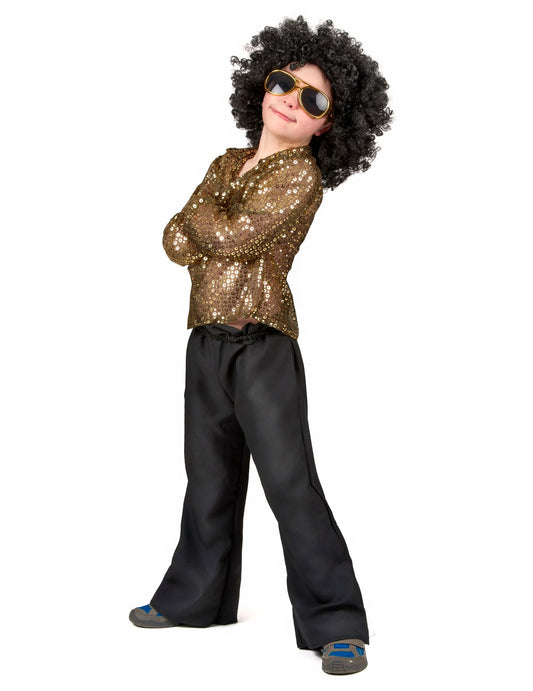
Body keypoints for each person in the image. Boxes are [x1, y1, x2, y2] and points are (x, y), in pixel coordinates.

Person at [129, 15, 393, 676]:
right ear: (261, 84)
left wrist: (206, 219)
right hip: (204, 342)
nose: (291, 100)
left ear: (328, 126)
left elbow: (227, 237)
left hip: (263, 344)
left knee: (289, 483)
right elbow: (173, 241)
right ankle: (196, 599)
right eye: (283, 83)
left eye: (314, 99)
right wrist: (209, 223)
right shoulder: (225, 163)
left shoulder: (299, 176)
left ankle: (337, 623)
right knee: (208, 479)